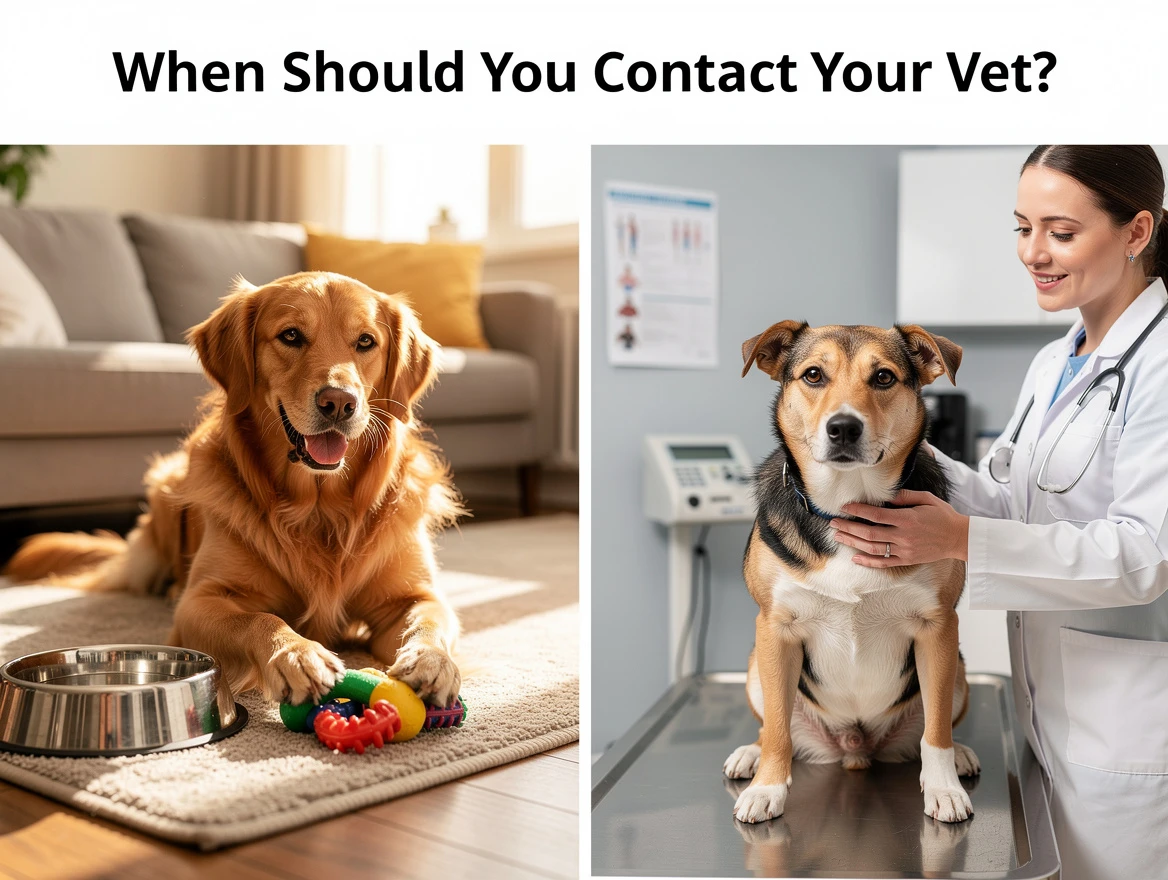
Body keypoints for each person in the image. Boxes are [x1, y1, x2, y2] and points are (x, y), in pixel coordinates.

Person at [830, 145, 1168, 880]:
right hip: (1048, 708)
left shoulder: (1163, 362)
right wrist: (889, 444)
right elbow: (1009, 498)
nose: (1034, 253)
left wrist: (960, 538)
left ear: (1137, 232)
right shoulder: (1059, 359)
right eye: (1022, 228)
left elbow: (1145, 555)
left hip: (1132, 728)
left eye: (1061, 231)